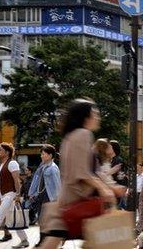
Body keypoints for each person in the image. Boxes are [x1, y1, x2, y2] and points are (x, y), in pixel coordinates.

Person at [39, 99, 116, 249]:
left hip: (67, 199)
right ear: (86, 117)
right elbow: (81, 172)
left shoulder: (69, 136)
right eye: (95, 114)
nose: (98, 117)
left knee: (54, 240)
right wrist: (104, 189)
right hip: (77, 201)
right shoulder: (83, 134)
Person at [28, 144, 61, 247]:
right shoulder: (42, 166)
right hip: (41, 195)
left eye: (43, 154)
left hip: (49, 197)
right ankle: (43, 240)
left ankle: (47, 240)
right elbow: (36, 181)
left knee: (46, 220)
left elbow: (57, 185)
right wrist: (32, 193)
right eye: (41, 154)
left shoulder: (53, 168)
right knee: (41, 219)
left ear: (50, 155)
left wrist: (57, 200)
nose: (41, 156)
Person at [0, 142, 29, 248]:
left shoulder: (12, 163)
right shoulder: (2, 164)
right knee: (12, 219)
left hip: (11, 194)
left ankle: (24, 240)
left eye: (0, 150)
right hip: (4, 195)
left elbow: (17, 181)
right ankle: (24, 240)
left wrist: (18, 195)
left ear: (7, 152)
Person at [110, 140, 128, 209]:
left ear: (113, 148)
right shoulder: (111, 159)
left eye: (109, 146)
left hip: (116, 190)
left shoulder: (118, 160)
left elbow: (121, 176)